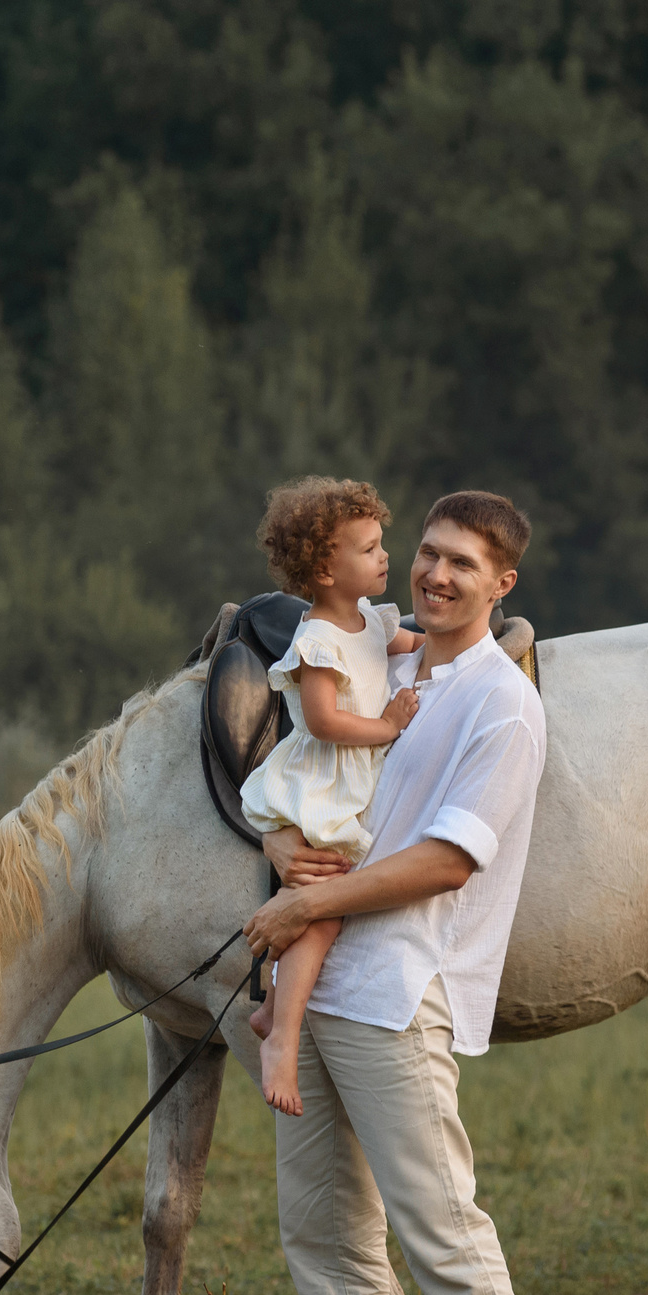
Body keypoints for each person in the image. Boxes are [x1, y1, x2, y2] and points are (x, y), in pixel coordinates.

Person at [241, 489, 548, 1295]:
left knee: (435, 1219)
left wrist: (304, 908)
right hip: (318, 983)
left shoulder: (503, 704)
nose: (437, 573)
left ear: (501, 583)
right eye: (428, 553)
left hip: (398, 988)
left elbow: (449, 860)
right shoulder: (386, 662)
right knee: (322, 1225)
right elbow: (314, 770)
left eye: (463, 562)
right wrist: (287, 855)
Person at [237, 477, 426, 1117]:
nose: (384, 558)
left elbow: (409, 643)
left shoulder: (371, 618)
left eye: (381, 544)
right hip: (319, 784)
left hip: (341, 782)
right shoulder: (317, 639)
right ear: (324, 568)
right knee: (321, 913)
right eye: (369, 549)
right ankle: (281, 1040)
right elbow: (321, 721)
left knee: (321, 909)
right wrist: (389, 728)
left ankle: (269, 1012)